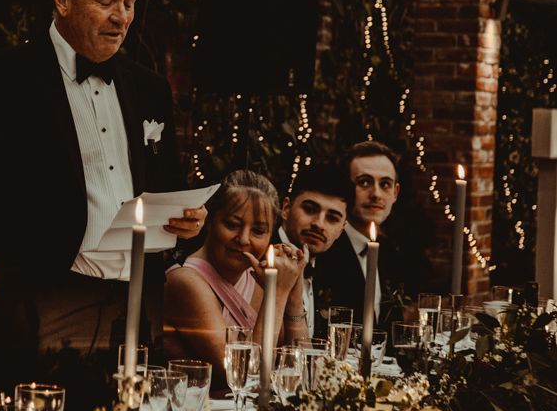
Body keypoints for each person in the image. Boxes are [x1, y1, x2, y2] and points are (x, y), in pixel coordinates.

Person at [0, 0, 205, 411]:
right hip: (38, 305)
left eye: (130, 1)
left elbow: (166, 189)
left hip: (136, 305)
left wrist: (187, 225)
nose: (122, 18)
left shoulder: (150, 89)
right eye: (107, 0)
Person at [164, 170, 309, 387]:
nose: (243, 239)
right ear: (211, 221)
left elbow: (303, 369)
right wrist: (277, 293)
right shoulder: (185, 280)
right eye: (232, 224)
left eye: (258, 231)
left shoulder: (257, 278)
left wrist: (294, 291)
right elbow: (244, 375)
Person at [313, 141, 405, 327]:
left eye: (385, 184)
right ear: (346, 188)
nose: (376, 194)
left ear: (395, 193)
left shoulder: (391, 252)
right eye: (364, 182)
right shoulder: (324, 248)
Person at [273, 164, 353, 336]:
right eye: (309, 209)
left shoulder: (337, 272)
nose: (319, 224)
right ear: (286, 208)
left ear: (341, 229)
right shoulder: (261, 258)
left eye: (332, 218)